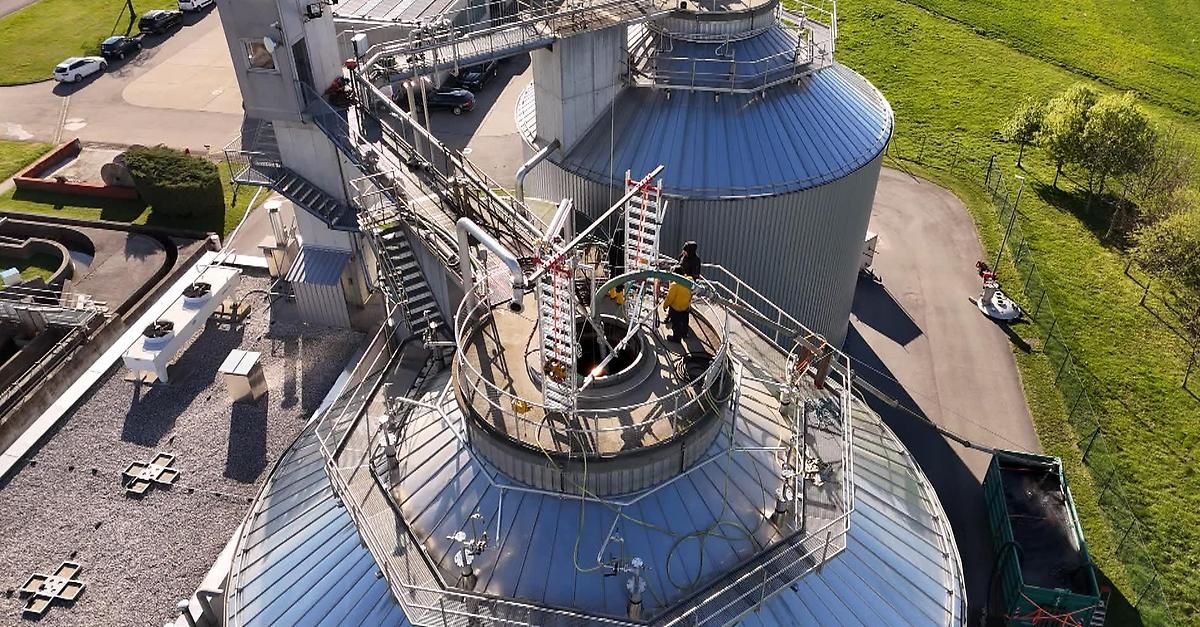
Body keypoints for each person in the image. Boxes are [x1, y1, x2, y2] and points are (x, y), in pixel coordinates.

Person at [662, 242, 701, 342]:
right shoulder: (683, 257)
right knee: (684, 314)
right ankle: (684, 331)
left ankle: (677, 337)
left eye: (685, 251)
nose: (683, 252)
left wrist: (665, 305)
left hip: (683, 290)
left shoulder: (695, 261)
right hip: (686, 291)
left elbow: (670, 297)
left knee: (676, 318)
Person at [607, 229, 626, 304]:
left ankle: (612, 294)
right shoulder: (621, 249)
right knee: (620, 283)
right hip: (620, 267)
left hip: (612, 265)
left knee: (612, 278)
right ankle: (619, 300)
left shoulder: (610, 244)